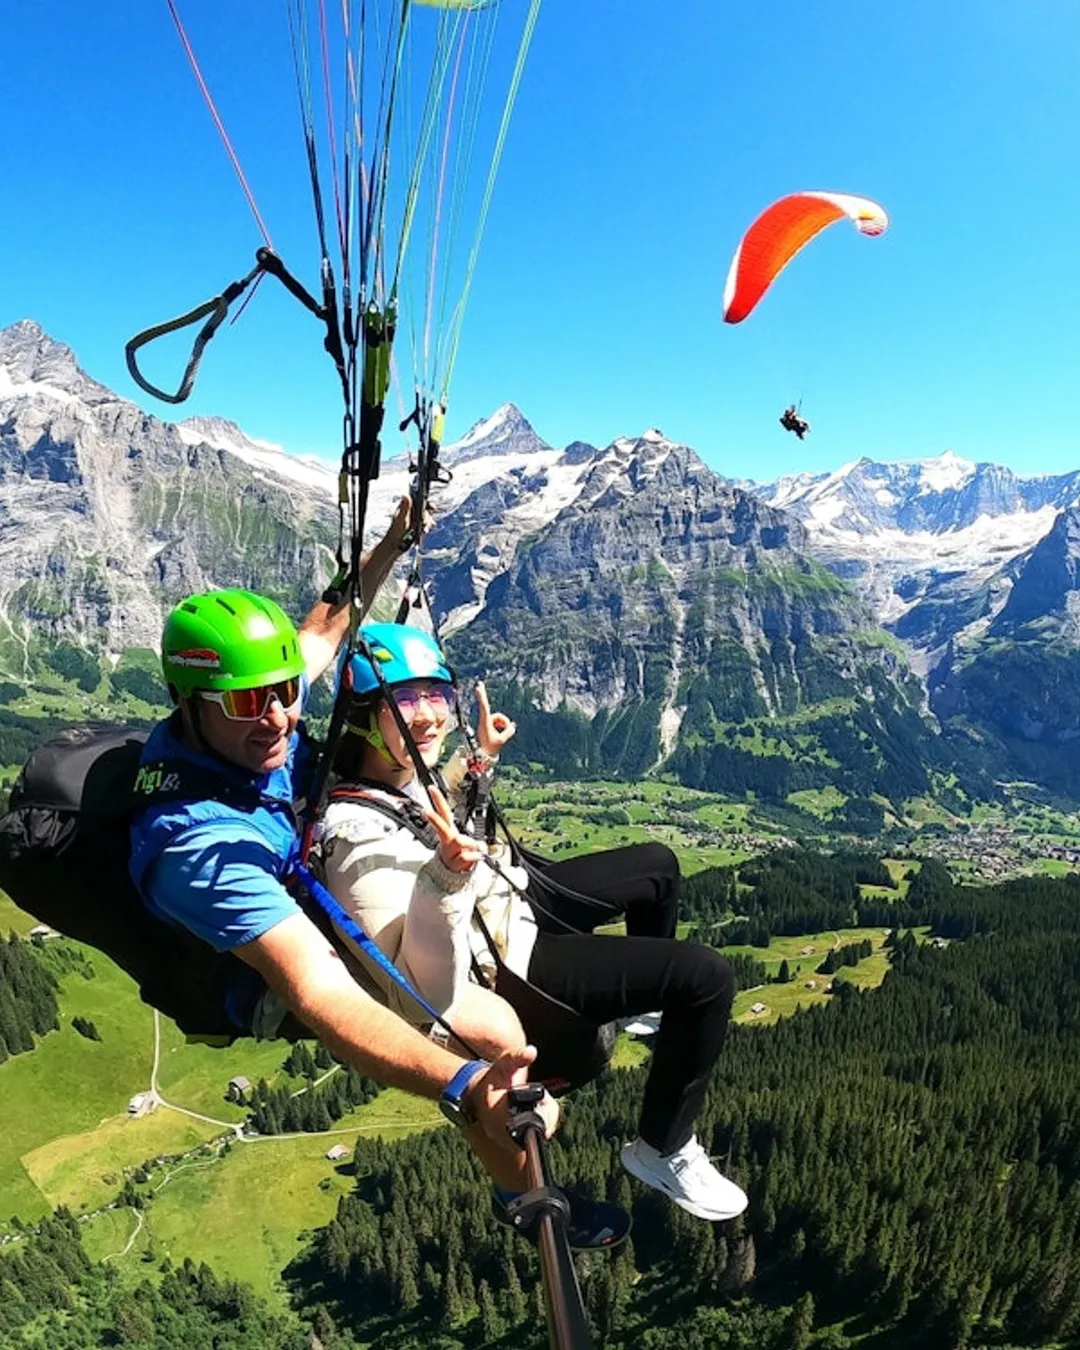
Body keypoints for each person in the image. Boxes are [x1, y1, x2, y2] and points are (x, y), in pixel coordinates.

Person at [127, 501, 563, 1211]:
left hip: (319, 881)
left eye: (287, 692)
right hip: (272, 970)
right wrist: (457, 1083)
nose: (277, 719)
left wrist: (392, 540)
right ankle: (527, 1195)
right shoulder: (198, 847)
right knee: (486, 1038)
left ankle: (521, 1171)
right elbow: (318, 990)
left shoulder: (252, 699)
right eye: (247, 705)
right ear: (189, 701)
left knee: (495, 1032)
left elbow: (327, 622)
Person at [317, 622, 748, 1223]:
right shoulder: (354, 835)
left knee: (658, 867)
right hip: (502, 962)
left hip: (505, 910)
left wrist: (482, 761)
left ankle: (643, 1005)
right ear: (365, 715)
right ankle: (662, 1146)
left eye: (435, 695)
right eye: (404, 700)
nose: (429, 715)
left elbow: (436, 802)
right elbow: (417, 988)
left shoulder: (396, 778)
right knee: (705, 979)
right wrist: (443, 877)